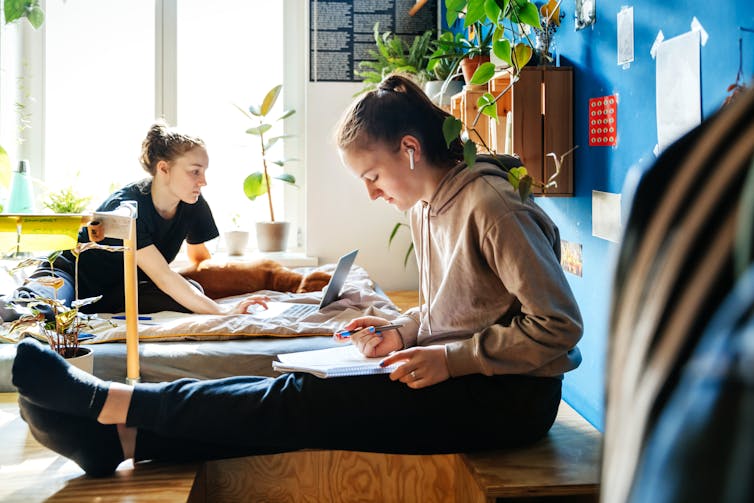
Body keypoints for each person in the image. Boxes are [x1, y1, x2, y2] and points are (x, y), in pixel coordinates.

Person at [11, 74, 583, 477]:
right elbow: (457, 310)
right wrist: (407, 331)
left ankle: (120, 405)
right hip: (468, 378)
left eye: (373, 174)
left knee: (305, 400)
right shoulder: (430, 207)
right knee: (299, 396)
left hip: (512, 398)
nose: (372, 191)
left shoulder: (490, 205)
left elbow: (558, 327)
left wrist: (450, 358)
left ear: (410, 149)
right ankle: (120, 437)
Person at [0, 121, 269, 320]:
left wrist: (222, 291)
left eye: (204, 171)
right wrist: (224, 312)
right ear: (163, 168)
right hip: (69, 275)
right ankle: (16, 301)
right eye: (195, 171)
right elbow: (163, 276)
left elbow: (199, 258)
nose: (204, 181)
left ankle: (84, 310)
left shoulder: (192, 202)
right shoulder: (127, 207)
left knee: (192, 291)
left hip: (116, 291)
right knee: (40, 309)